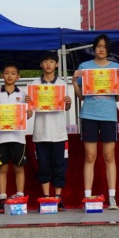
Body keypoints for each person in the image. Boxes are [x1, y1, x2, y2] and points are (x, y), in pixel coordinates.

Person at [72, 34, 119, 210]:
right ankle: (88, 196)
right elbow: (81, 97)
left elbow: (118, 97)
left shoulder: (116, 67)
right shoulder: (85, 67)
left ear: (108, 49)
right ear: (94, 48)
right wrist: (74, 82)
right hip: (89, 115)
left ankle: (112, 197)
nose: (101, 49)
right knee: (90, 156)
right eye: (98, 46)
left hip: (108, 116)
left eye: (104, 46)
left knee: (109, 156)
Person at [27, 51, 72, 211]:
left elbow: (66, 107)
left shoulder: (62, 84)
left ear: (57, 64)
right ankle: (46, 198)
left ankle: (58, 198)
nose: (48, 64)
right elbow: (29, 110)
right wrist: (28, 103)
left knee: (60, 167)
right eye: (45, 61)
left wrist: (68, 102)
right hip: (40, 134)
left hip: (59, 134)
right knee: (43, 167)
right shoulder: (34, 84)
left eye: (51, 61)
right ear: (41, 64)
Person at [0, 62, 32, 214]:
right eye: (7, 73)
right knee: (3, 168)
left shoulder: (23, 95)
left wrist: (29, 113)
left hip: (18, 137)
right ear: (2, 75)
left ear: (18, 77)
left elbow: (27, 114)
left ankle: (20, 197)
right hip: (0, 137)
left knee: (18, 167)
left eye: (13, 73)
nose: (9, 76)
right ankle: (2, 199)